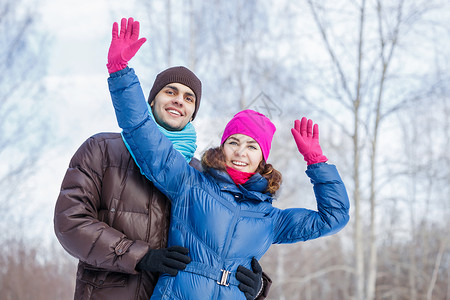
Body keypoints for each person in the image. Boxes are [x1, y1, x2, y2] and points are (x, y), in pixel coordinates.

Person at [108, 18, 350, 300]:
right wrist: (120, 73)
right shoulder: (190, 184)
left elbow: (333, 218)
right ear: (222, 149)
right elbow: (143, 134)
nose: (240, 151)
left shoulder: (271, 219)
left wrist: (317, 162)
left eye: (251, 146)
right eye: (233, 142)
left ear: (262, 160)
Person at [54, 18, 271, 300]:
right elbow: (70, 222)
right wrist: (139, 256)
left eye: (189, 98)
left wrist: (257, 284)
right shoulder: (102, 149)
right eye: (170, 91)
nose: (179, 100)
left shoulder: (201, 175)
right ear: (152, 100)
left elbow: (227, 241)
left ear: (193, 114)